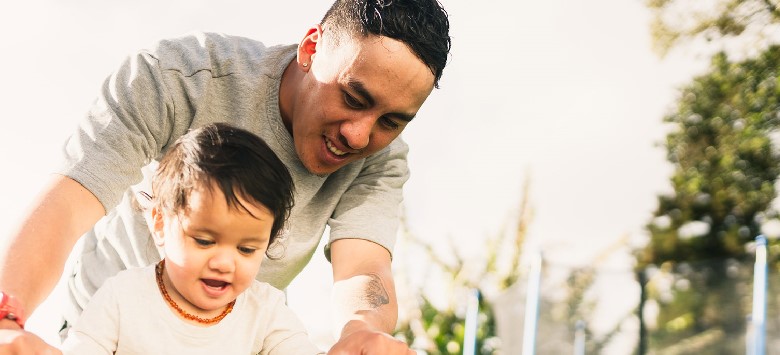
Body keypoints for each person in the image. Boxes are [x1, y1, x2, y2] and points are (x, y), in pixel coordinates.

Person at [0, 0, 450, 353]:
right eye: (353, 98)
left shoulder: (380, 158)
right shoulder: (177, 77)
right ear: (311, 49)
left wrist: (361, 332)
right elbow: (69, 199)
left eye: (391, 121)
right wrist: (8, 319)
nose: (359, 135)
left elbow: (364, 266)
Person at [61, 123, 323, 354]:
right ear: (161, 223)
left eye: (246, 249)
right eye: (204, 241)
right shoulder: (123, 297)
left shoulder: (265, 311)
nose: (224, 263)